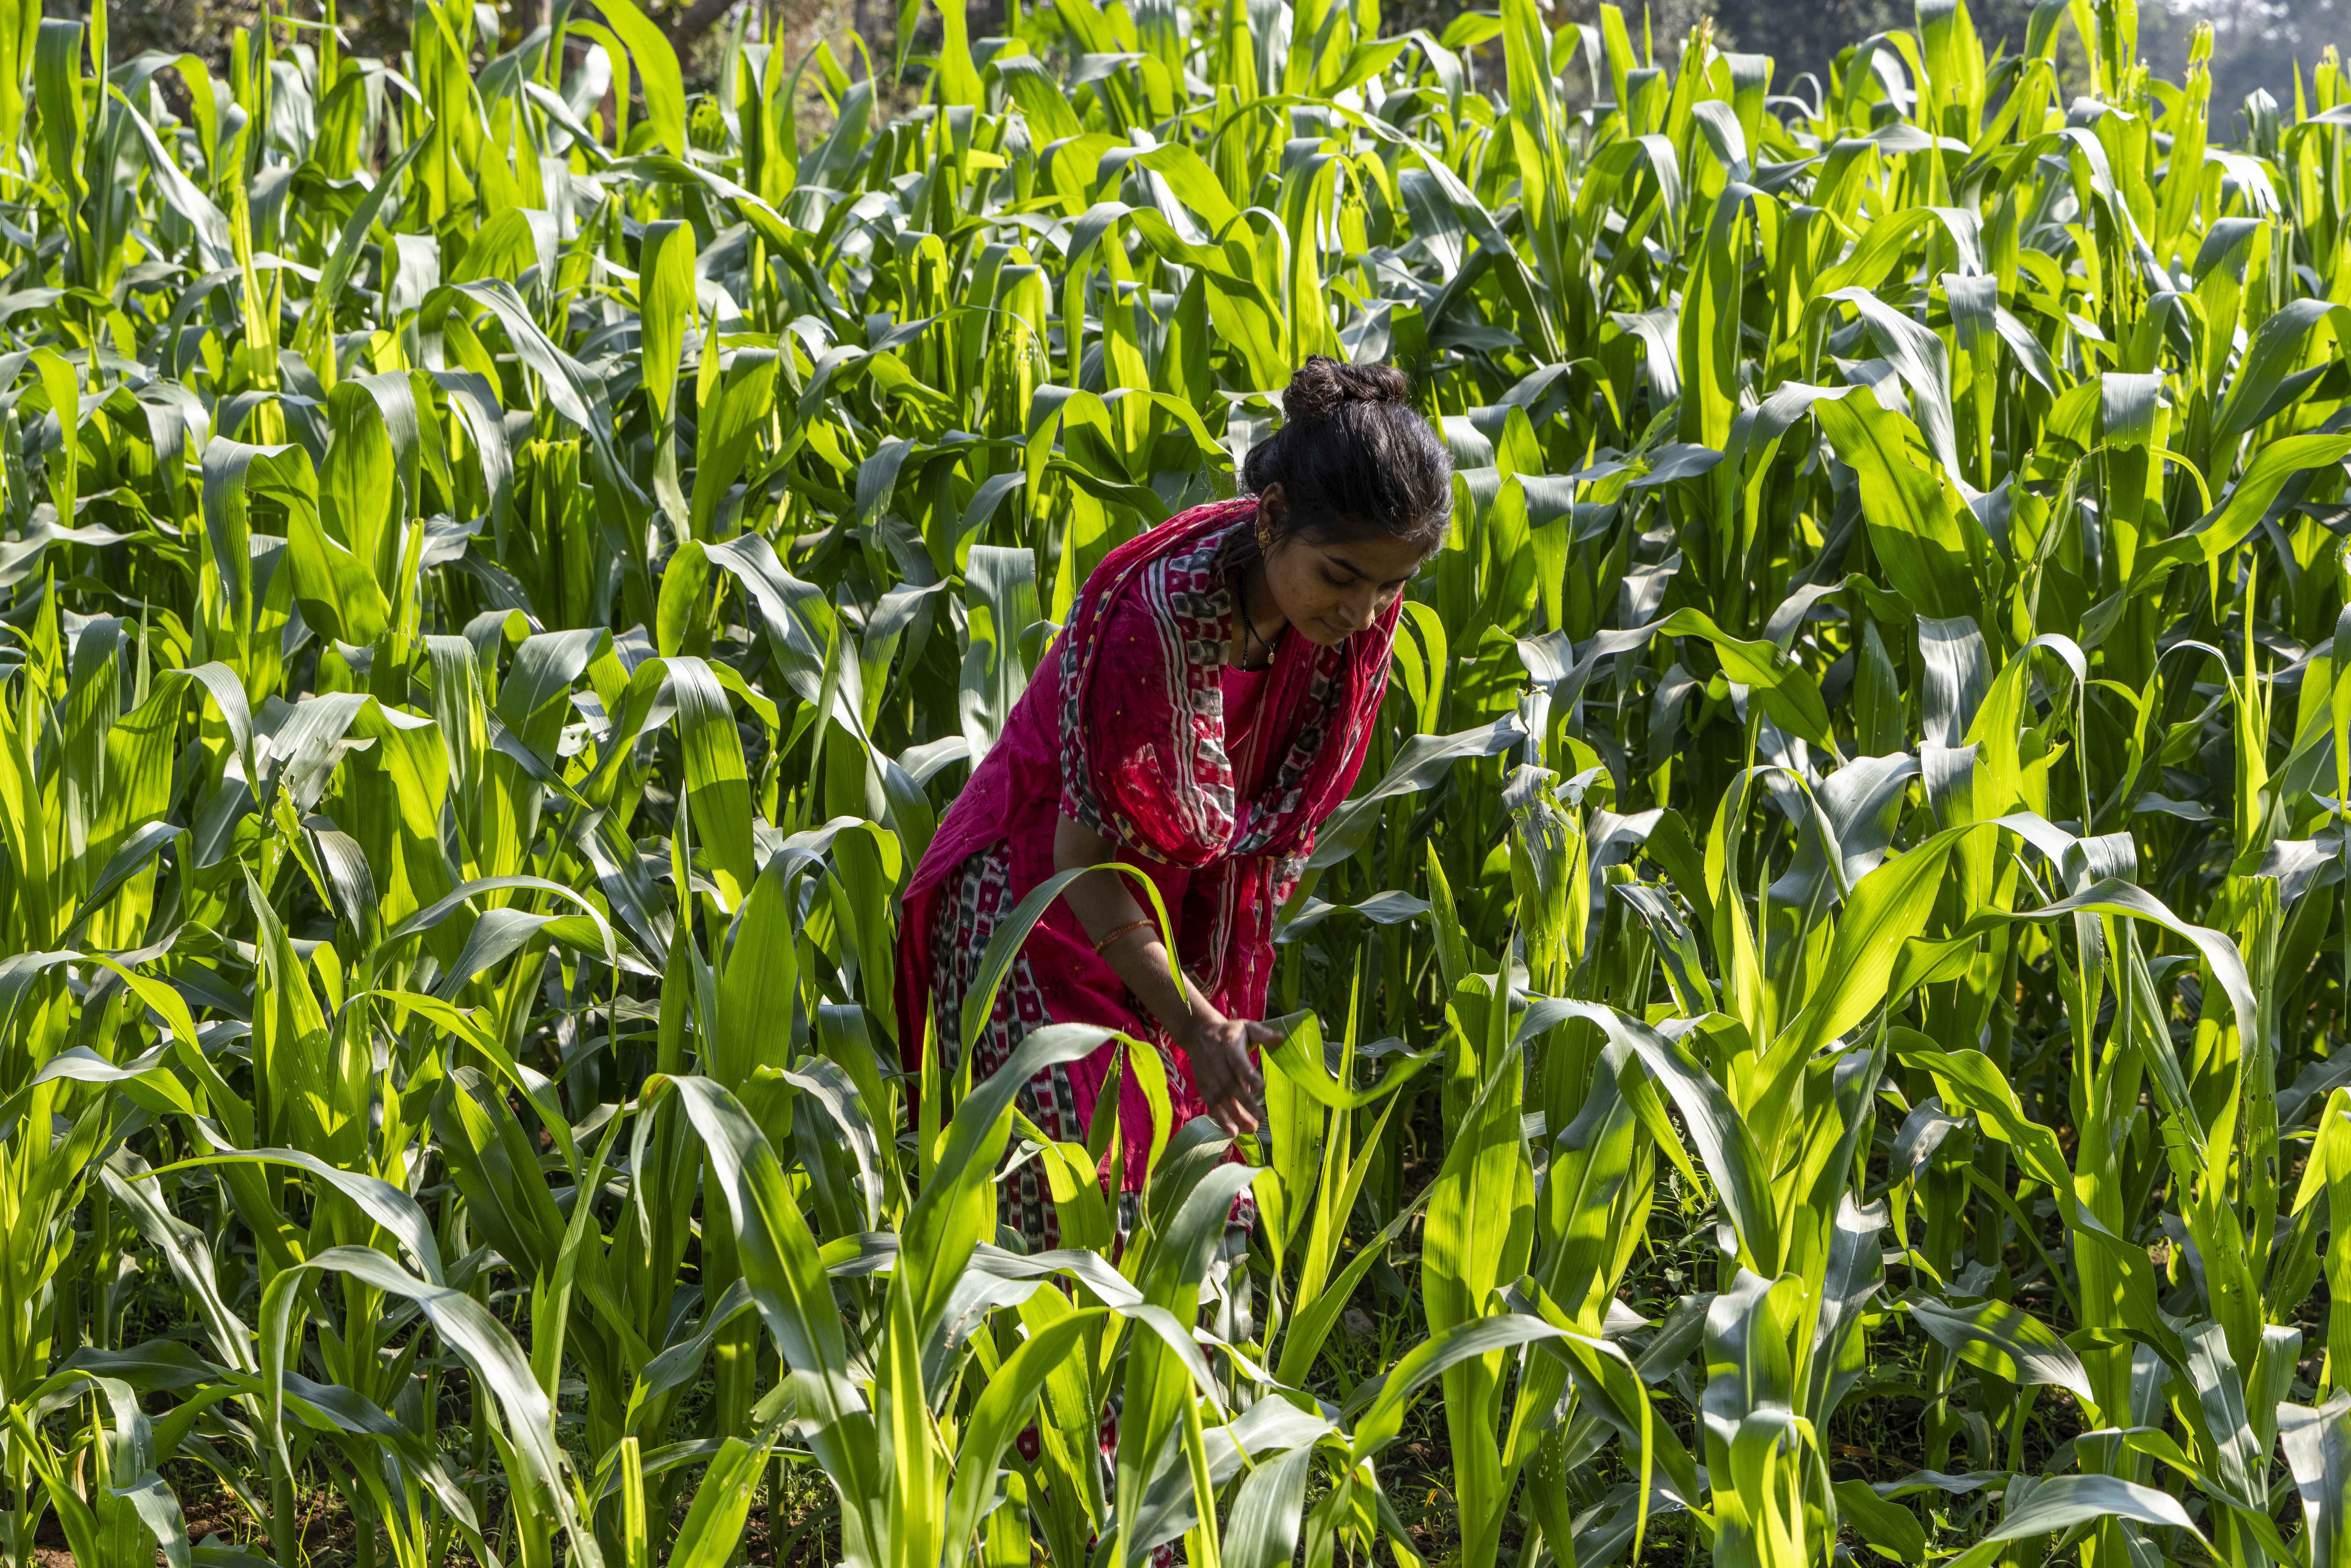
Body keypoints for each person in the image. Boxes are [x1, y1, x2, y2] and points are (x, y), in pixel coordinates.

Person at [894, 356, 1454, 1251]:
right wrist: (1194, 1020)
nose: (1365, 610)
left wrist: (1203, 1009)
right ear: (1271, 517)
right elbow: (1080, 861)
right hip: (1036, 901)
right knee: (1086, 1203)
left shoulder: (1342, 618)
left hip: (1182, 912)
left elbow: (1266, 827)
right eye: (1343, 575)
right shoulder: (1153, 625)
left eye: (1392, 586)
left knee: (1193, 1205)